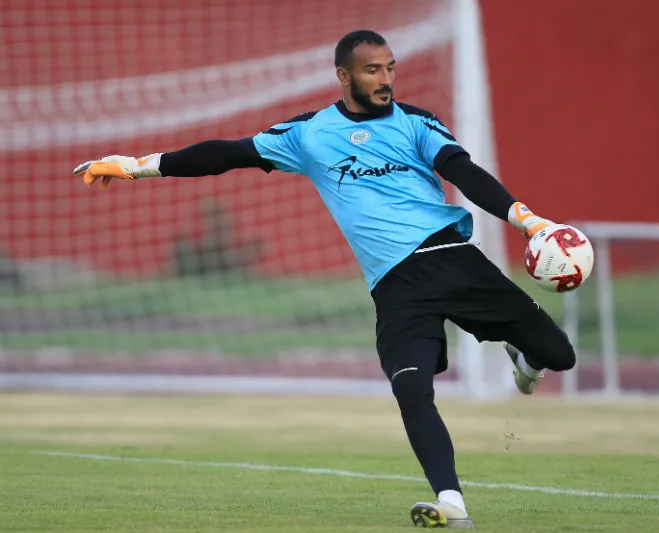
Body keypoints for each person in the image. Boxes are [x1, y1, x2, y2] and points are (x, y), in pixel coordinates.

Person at [72, 29, 576, 529]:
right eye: (372, 70)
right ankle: (452, 504)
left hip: (452, 260)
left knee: (560, 355)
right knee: (410, 389)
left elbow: (464, 173)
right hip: (395, 288)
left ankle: (526, 355)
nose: (386, 79)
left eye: (390, 68)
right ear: (343, 76)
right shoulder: (309, 134)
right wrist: (137, 166)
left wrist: (528, 221)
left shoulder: (417, 123)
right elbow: (225, 154)